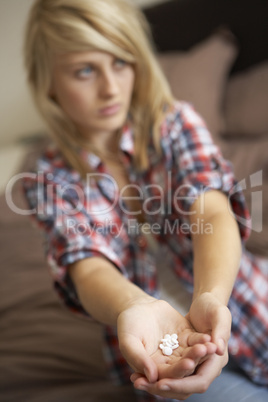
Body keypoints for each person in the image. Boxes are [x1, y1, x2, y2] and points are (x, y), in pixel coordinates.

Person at [23, 0, 268, 401]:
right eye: (85, 70)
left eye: (121, 62)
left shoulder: (174, 123)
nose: (110, 87)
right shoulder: (47, 179)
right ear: (48, 80)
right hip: (158, 355)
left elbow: (211, 207)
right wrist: (135, 306)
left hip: (249, 306)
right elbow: (87, 265)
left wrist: (210, 296)